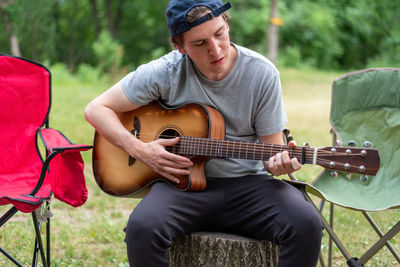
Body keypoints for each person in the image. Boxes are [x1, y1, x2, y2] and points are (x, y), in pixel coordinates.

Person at [84, 0, 322, 266]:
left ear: (227, 24)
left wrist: (280, 163)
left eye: (220, 33)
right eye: (199, 43)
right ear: (180, 47)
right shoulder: (166, 71)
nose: (215, 49)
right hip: (181, 187)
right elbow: (96, 109)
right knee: (142, 229)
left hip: (249, 186)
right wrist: (140, 150)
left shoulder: (262, 73)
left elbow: (273, 152)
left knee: (306, 223)